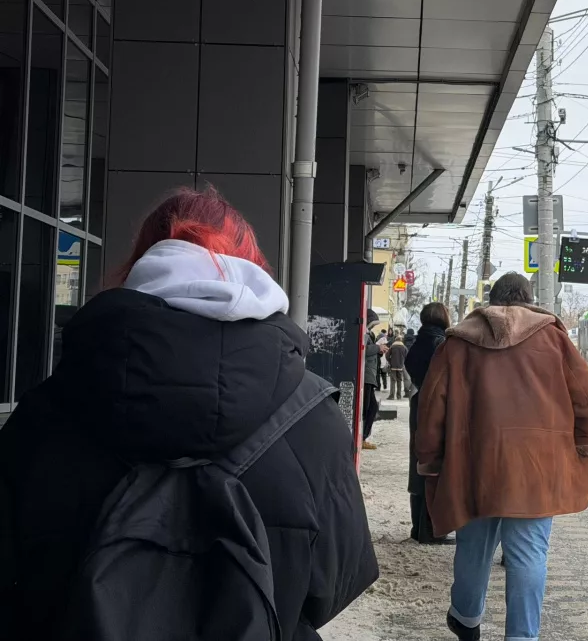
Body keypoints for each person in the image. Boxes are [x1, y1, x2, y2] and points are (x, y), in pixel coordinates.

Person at [0, 188, 377, 639]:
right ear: (252, 266)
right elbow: (333, 586)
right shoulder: (312, 416)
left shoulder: (48, 408)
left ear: (139, 263)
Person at [416, 273, 588, 641]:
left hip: (473, 464)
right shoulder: (554, 338)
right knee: (529, 555)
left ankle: (466, 619)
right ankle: (521, 636)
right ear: (530, 301)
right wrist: (586, 443)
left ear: (492, 301)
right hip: (537, 468)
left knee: (473, 546)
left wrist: (430, 459)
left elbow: (431, 404)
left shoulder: (457, 343)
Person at [404, 302, 452, 545]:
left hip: (418, 404)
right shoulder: (441, 345)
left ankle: (417, 526)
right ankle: (430, 530)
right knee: (433, 465)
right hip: (436, 408)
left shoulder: (416, 343)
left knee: (418, 463)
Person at [361, 311, 384, 450]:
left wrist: (378, 351)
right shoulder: (364, 334)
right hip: (366, 376)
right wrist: (378, 348)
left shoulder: (367, 333)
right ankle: (362, 437)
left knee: (371, 407)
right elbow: (363, 349)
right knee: (368, 407)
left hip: (369, 375)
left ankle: (363, 436)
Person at [387, 336, 412, 400]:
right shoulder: (404, 347)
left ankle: (391, 396)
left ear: (395, 340)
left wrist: (390, 361)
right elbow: (408, 357)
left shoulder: (392, 347)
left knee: (393, 381)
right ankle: (399, 396)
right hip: (401, 367)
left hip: (393, 367)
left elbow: (387, 355)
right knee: (399, 381)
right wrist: (403, 363)